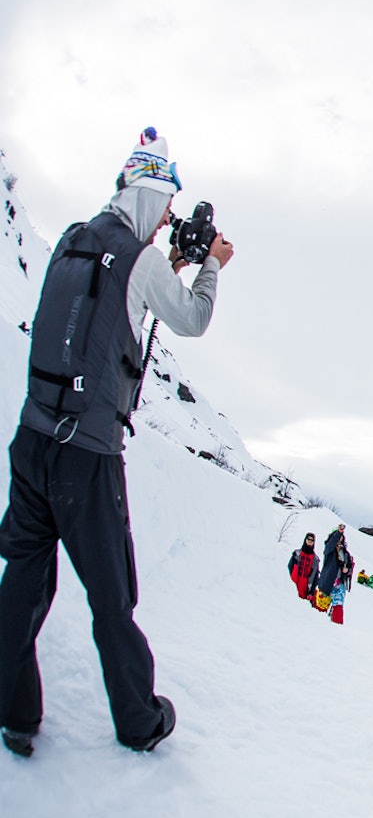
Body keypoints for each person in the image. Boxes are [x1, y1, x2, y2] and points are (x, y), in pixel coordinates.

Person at [0, 128, 234, 757]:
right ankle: (138, 720)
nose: (163, 226)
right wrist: (210, 264)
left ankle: (15, 714)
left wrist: (165, 265)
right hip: (87, 458)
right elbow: (192, 318)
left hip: (30, 442)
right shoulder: (143, 259)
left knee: (23, 581)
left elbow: (114, 295)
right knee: (112, 597)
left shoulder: (72, 241)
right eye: (163, 211)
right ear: (153, 194)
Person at [287, 533, 320, 600]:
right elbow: (289, 567)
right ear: (305, 540)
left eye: (312, 540)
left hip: (305, 588)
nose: (310, 541)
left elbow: (316, 577)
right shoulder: (297, 554)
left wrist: (311, 592)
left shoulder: (315, 560)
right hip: (293, 584)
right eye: (308, 539)